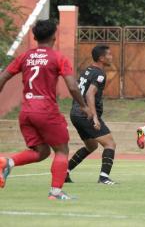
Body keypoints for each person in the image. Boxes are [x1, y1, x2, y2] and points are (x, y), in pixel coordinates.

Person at [0, 20, 92, 200]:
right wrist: (84, 106)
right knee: (62, 150)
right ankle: (56, 193)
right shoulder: (58, 58)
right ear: (54, 37)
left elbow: (3, 77)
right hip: (46, 111)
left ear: (34, 37)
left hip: (26, 112)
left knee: (41, 151)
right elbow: (73, 87)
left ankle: (6, 162)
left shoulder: (24, 57)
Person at [66, 45, 118, 185]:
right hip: (86, 115)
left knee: (91, 146)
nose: (111, 57)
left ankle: (65, 171)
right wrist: (94, 117)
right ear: (102, 58)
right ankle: (104, 177)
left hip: (75, 113)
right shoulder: (100, 73)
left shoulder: (87, 70)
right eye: (109, 54)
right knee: (110, 144)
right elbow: (89, 94)